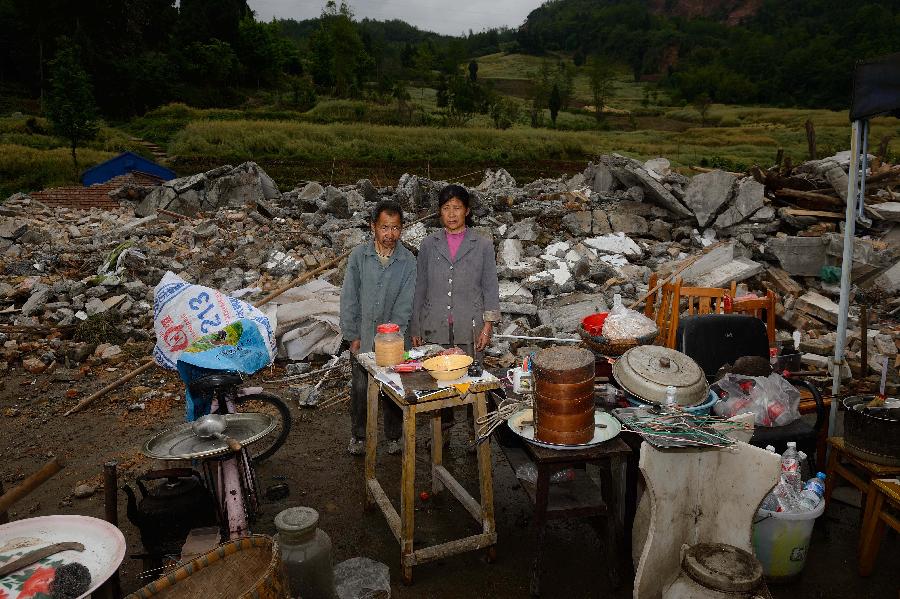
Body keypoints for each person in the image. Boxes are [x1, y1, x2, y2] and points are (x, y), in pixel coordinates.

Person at [411, 184, 500, 445]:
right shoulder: (429, 244)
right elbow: (420, 287)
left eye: (457, 208)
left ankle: (477, 432)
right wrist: (415, 326)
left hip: (470, 327)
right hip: (435, 326)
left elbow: (490, 287)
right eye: (446, 208)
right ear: (440, 212)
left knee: (472, 381)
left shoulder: (482, 244)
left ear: (467, 211)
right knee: (440, 382)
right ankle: (443, 432)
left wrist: (488, 326)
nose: (452, 214)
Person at [340, 200, 416, 456]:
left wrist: (393, 337)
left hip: (394, 339)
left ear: (402, 229)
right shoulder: (359, 257)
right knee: (360, 388)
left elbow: (405, 304)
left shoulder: (407, 261)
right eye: (384, 227)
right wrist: (352, 335)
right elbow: (350, 297)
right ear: (373, 227)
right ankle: (358, 436)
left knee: (394, 388)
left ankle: (394, 436)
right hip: (363, 336)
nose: (390, 234)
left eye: (395, 228)